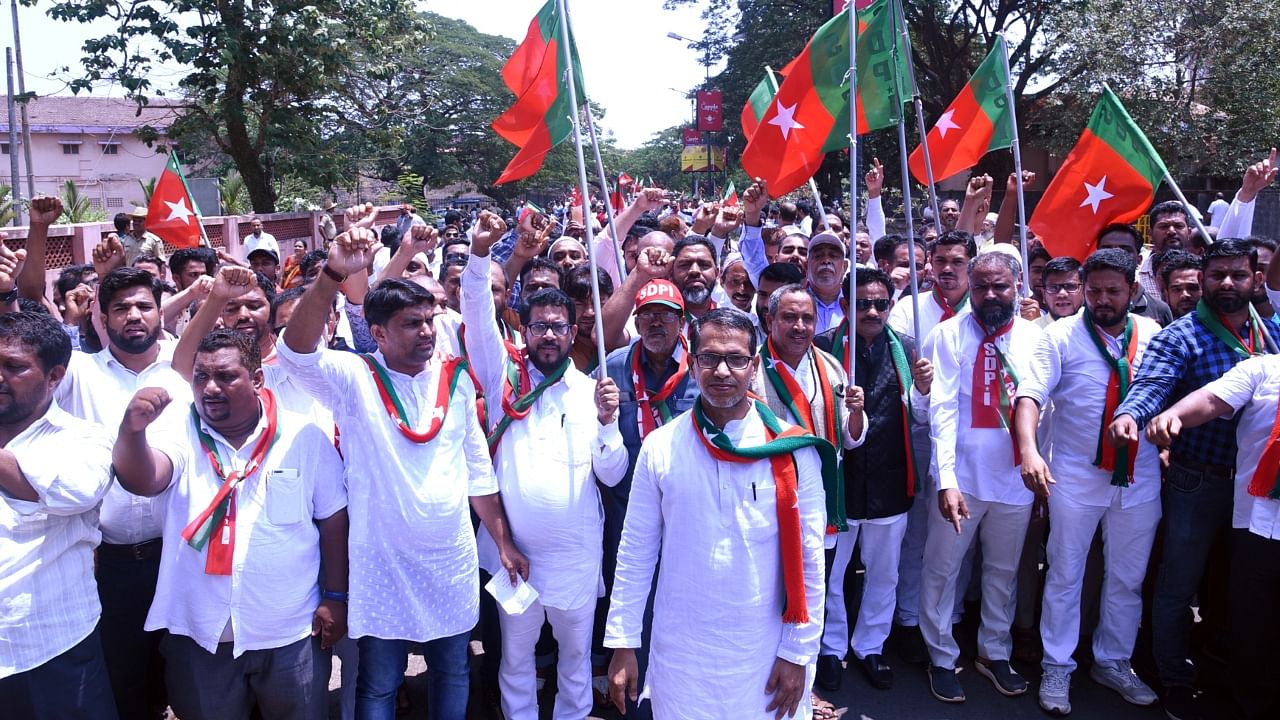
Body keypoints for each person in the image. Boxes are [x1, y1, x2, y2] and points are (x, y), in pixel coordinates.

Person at [277, 227, 526, 720]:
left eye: (430, 321)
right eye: (413, 323)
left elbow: (477, 471)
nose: (429, 332)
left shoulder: (454, 381)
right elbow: (296, 350)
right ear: (381, 333)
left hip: (449, 562)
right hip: (381, 565)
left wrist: (502, 541)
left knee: (452, 672)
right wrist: (331, 274)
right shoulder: (354, 378)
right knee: (378, 685)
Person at [605, 308, 838, 719]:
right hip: (682, 654)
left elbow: (810, 559)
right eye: (709, 357)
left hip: (764, 652)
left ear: (754, 365)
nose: (722, 370)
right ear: (692, 364)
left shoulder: (795, 451)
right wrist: (624, 643)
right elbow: (636, 551)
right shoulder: (661, 447)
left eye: (736, 358)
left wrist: (799, 653)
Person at [111, 329, 349, 720]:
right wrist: (131, 433)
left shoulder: (302, 435)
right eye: (201, 377)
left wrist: (336, 598)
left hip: (288, 628)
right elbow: (144, 479)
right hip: (200, 631)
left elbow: (333, 518)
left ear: (257, 379)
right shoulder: (179, 430)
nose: (210, 388)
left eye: (225, 376)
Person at [463, 210, 627, 720]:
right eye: (540, 327)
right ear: (524, 329)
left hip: (576, 560)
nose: (549, 336)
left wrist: (607, 425)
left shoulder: (591, 390)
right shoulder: (503, 378)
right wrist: (479, 256)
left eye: (559, 326)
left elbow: (613, 474)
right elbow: (475, 316)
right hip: (516, 560)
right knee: (515, 660)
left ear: (574, 328)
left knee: (575, 660)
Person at [1110, 238, 1280, 720]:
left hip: (1261, 495)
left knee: (1244, 589)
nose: (1227, 283)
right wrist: (1131, 415)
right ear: (1201, 280)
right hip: (1198, 482)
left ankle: (1232, 668)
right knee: (1178, 586)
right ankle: (1175, 678)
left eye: (1238, 275)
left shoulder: (1271, 335)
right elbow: (1153, 385)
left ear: (1256, 280)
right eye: (1217, 275)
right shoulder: (1181, 336)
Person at [1014, 249, 1163, 715]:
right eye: (1093, 290)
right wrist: (1030, 450)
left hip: (1139, 479)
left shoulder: (1155, 334)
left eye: (1112, 291)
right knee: (1065, 573)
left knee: (1127, 577)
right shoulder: (1060, 336)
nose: (1101, 299)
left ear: (1133, 291)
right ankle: (1057, 664)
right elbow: (1030, 395)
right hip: (1075, 477)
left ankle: (1113, 660)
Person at [51, 267, 193, 720]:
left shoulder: (187, 369)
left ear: (161, 312)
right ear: (103, 317)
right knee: (125, 682)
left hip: (183, 557)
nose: (133, 315)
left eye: (143, 306)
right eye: (120, 308)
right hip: (109, 566)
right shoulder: (78, 373)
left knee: (195, 680)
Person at [921, 252, 1042, 703]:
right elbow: (943, 408)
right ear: (969, 289)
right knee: (942, 569)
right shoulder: (948, 334)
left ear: (1017, 287)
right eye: (981, 288)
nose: (990, 296)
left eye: (1000, 287)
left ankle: (994, 653)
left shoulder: (1036, 338)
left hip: (1015, 481)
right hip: (962, 478)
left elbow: (1042, 409)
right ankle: (939, 656)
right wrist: (946, 479)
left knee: (1002, 572)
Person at [814, 269, 931, 693]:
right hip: (840, 485)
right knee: (832, 573)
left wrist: (922, 390)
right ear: (845, 306)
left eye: (881, 303)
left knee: (885, 573)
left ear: (891, 306)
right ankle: (830, 648)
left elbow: (921, 417)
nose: (872, 311)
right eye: (862, 303)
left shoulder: (909, 351)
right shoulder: (824, 347)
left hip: (890, 481)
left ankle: (871, 646)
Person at [1146, 354, 1280, 720]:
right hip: (1259, 524)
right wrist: (1173, 416)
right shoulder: (1264, 369)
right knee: (1254, 627)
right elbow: (1210, 399)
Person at [0, 312, 116, 720]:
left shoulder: (85, 439)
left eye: (14, 367)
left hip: (52, 648)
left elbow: (75, 491)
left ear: (54, 377)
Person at [1095, 224, 1174, 326]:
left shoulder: (1158, 310)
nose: (1115, 255)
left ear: (1139, 260)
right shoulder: (1080, 303)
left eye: (1125, 250)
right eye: (1107, 249)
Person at [806, 233, 849, 334]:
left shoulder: (855, 305)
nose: (826, 261)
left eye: (833, 256)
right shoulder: (794, 303)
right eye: (818, 256)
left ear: (845, 266)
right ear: (806, 265)